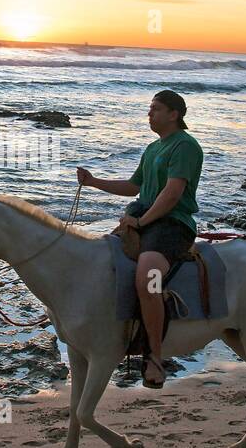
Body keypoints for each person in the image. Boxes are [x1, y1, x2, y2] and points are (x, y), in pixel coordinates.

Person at [77, 90, 204, 388]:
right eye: (150, 109)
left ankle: (155, 356)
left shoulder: (185, 146)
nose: (149, 114)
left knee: (148, 276)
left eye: (155, 109)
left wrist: (141, 222)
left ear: (174, 114)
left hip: (172, 224)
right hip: (143, 220)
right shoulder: (152, 148)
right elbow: (134, 186)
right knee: (100, 261)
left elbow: (172, 194)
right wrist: (94, 182)